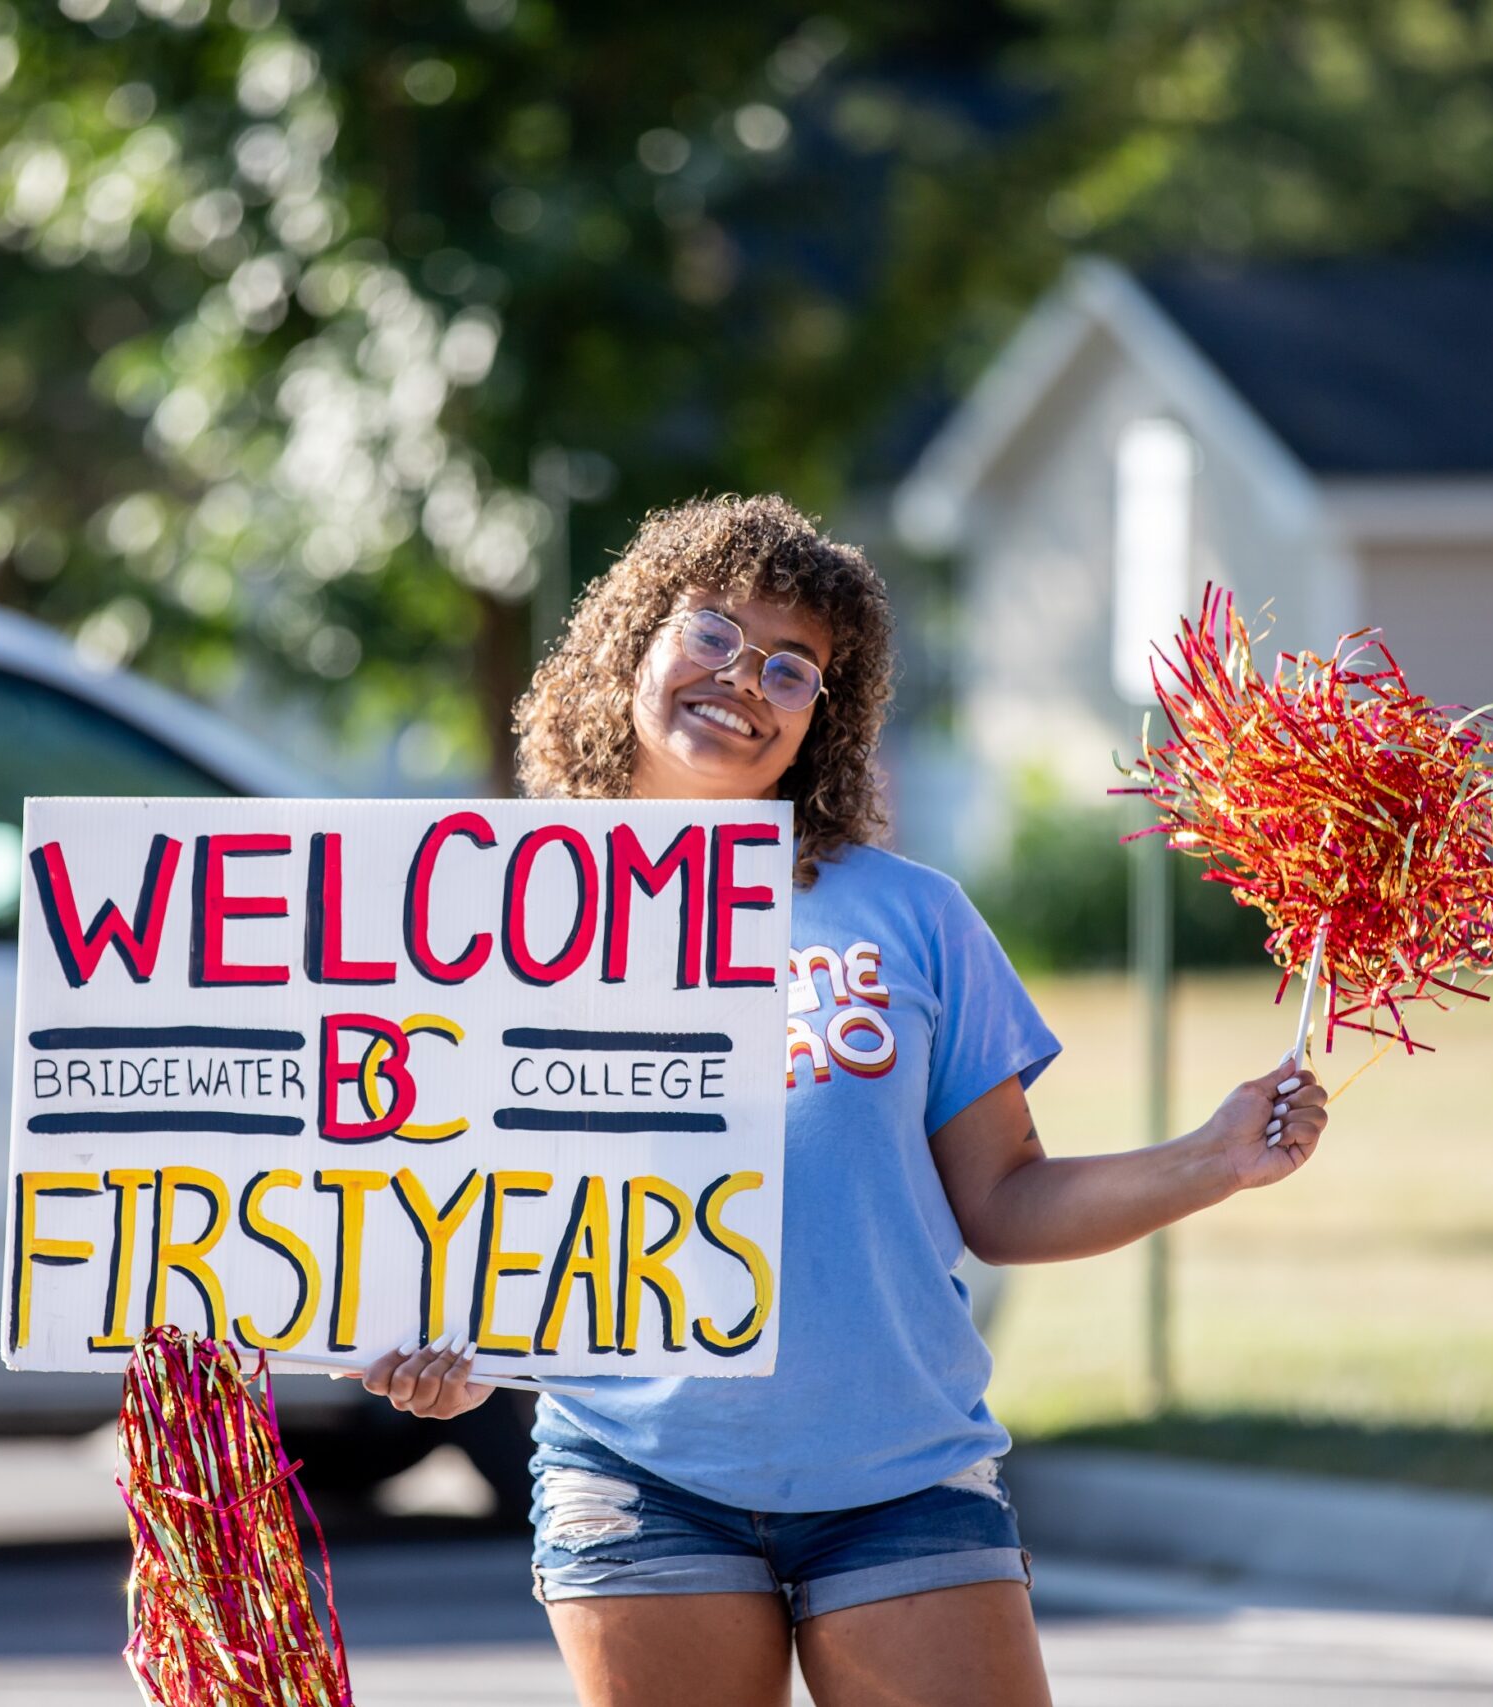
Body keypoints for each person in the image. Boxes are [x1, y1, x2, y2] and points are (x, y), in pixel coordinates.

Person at [356, 494, 1329, 1706]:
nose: (743, 679)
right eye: (712, 635)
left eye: (790, 666)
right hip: (639, 1478)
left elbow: (1006, 1203)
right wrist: (450, 1355)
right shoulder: (498, 921)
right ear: (633, 643)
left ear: (826, 715)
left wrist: (1210, 1159)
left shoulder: (910, 917)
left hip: (905, 1478)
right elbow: (454, 1213)